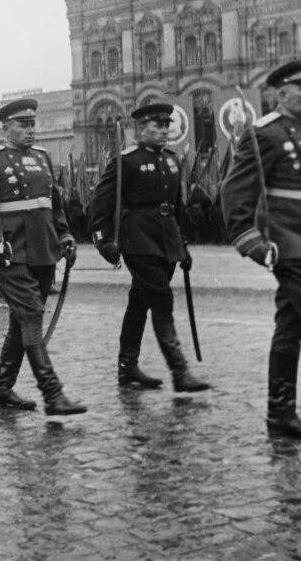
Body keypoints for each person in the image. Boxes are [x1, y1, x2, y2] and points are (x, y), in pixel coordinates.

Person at [221, 59, 301, 442]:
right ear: (280, 93)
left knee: (291, 323)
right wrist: (255, 246)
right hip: (289, 243)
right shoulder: (264, 134)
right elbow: (234, 194)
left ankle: (280, 414)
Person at [0, 98, 86, 415]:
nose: (31, 130)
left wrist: (66, 236)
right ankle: (52, 394)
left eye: (33, 125)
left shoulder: (42, 158)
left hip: (44, 253)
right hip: (10, 253)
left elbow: (53, 205)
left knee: (20, 324)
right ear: (6, 128)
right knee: (31, 315)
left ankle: (2, 389)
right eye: (23, 125)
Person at [91, 102, 209, 393]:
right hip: (138, 239)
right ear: (141, 129)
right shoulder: (125, 161)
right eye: (158, 127)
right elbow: (100, 204)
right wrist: (103, 240)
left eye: (166, 127)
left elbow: (177, 207)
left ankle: (127, 367)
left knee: (139, 302)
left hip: (166, 239)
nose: (164, 132)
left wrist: (182, 246)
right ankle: (180, 372)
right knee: (161, 299)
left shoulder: (170, 159)